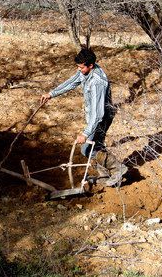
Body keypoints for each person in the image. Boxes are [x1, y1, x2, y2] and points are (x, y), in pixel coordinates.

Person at [40, 48, 127, 187]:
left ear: (90, 65)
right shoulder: (85, 71)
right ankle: (105, 175)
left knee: (86, 149)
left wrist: (86, 133)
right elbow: (71, 82)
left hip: (102, 118)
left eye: (81, 67)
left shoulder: (97, 82)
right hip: (94, 116)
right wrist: (51, 94)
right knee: (97, 146)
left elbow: (98, 114)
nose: (79, 69)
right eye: (78, 67)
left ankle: (118, 168)